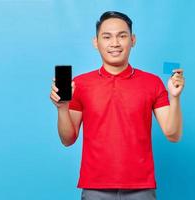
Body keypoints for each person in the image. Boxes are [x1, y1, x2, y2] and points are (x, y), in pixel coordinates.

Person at [50, 11, 185, 200]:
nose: (115, 43)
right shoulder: (79, 84)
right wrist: (62, 108)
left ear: (133, 40)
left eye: (122, 36)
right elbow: (67, 139)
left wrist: (175, 97)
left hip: (141, 188)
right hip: (95, 187)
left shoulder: (152, 83)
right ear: (96, 43)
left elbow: (173, 134)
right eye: (107, 37)